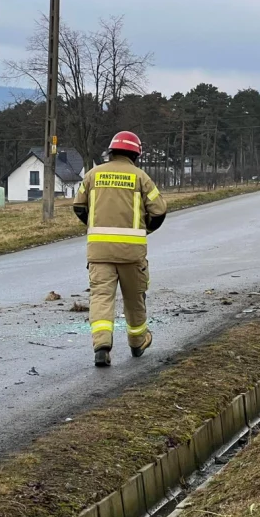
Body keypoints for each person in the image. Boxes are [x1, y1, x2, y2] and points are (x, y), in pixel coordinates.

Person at [73, 131, 167, 367]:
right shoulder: (140, 177)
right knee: (135, 299)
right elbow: (159, 211)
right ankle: (137, 343)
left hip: (99, 252)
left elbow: (79, 207)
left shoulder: (93, 175)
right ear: (136, 154)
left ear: (111, 151)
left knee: (101, 297)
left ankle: (101, 347)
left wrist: (95, 226)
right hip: (132, 254)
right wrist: (144, 230)